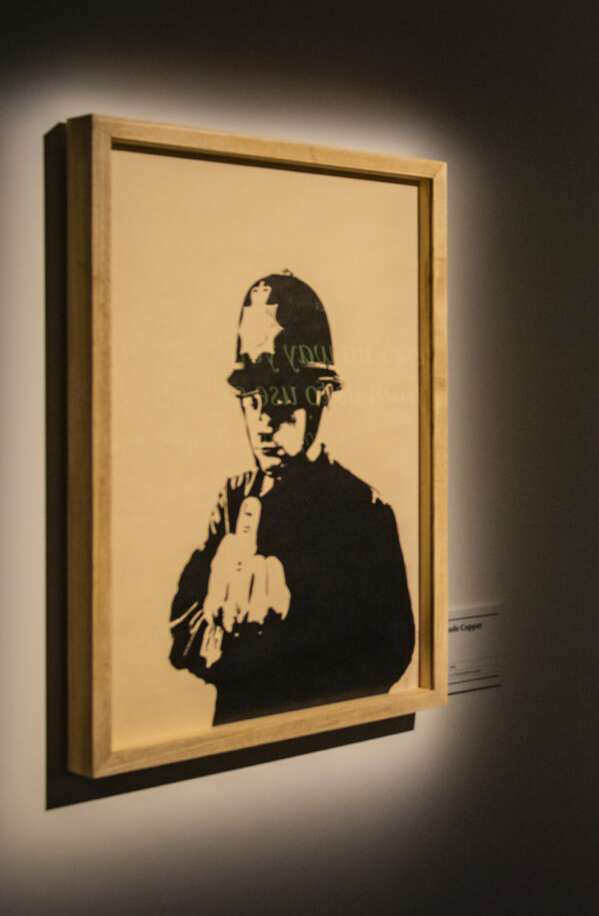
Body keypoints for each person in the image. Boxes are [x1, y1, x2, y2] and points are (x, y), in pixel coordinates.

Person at [168, 272, 415, 724]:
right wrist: (216, 621)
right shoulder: (234, 497)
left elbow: (390, 654)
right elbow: (181, 630)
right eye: (250, 398)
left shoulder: (364, 511)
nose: (262, 420)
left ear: (320, 396)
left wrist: (283, 627)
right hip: (234, 740)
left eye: (279, 397)